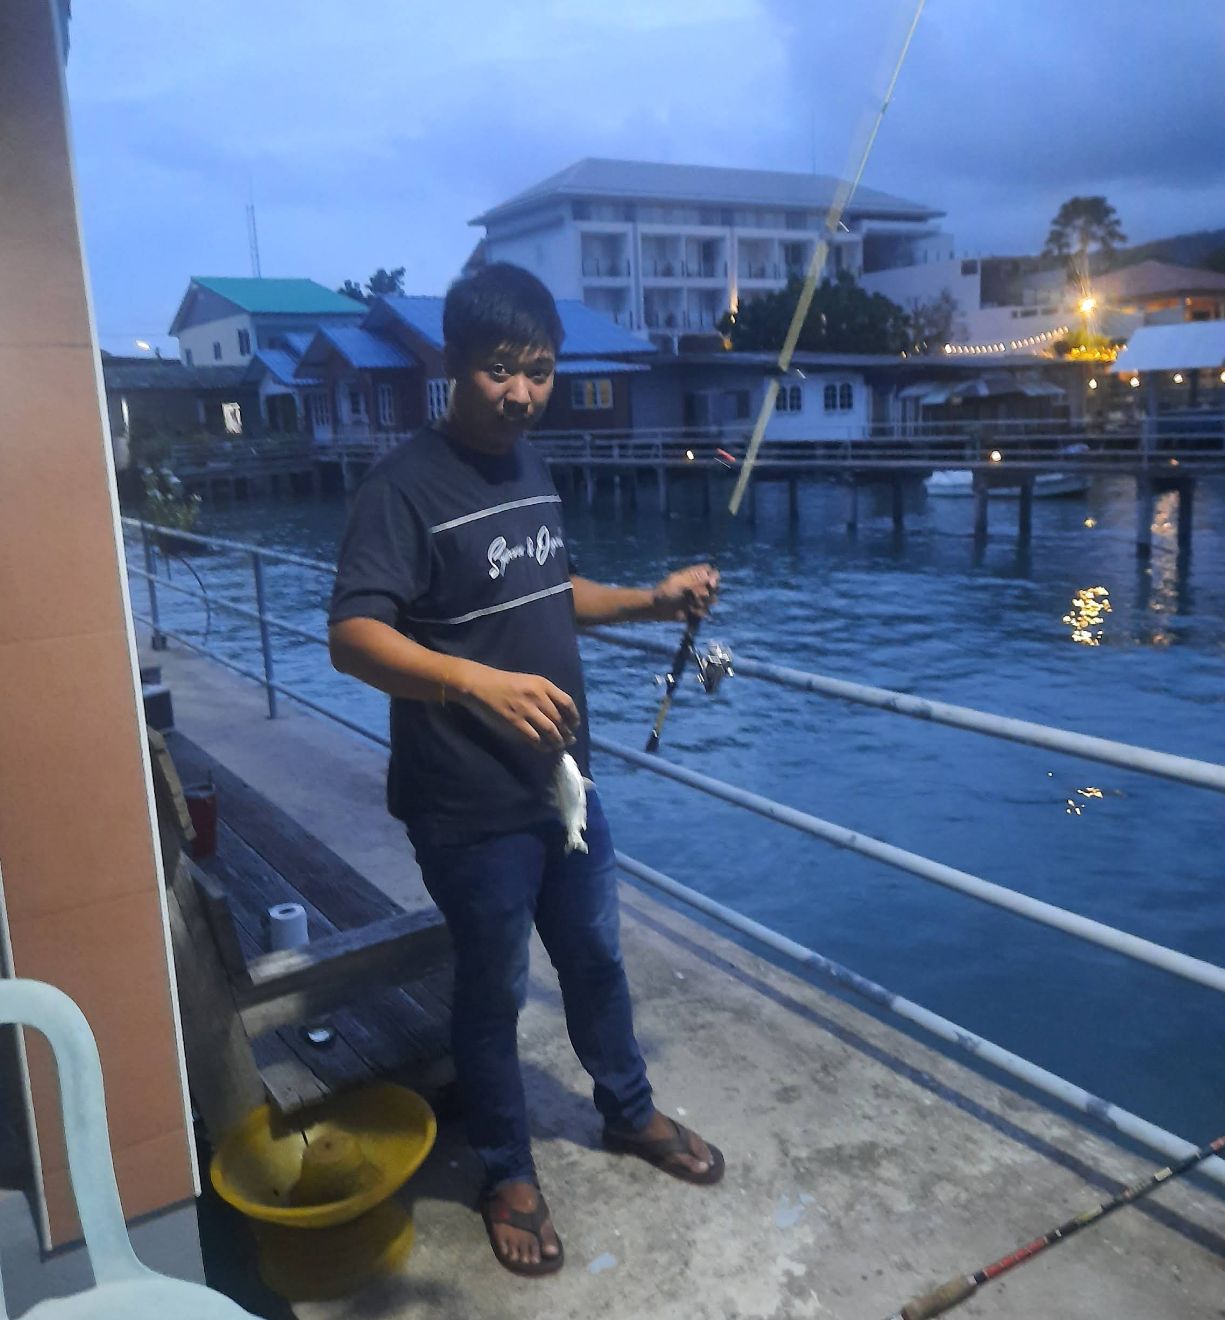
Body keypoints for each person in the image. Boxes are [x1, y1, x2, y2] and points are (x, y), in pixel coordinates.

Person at [328, 263, 724, 1277]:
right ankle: (506, 1169)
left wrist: (652, 599)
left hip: (566, 790)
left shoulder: (530, 465)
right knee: (496, 986)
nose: (520, 391)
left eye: (539, 371)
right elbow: (352, 638)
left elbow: (554, 589)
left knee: (595, 958)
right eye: (500, 370)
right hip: (466, 806)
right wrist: (471, 683)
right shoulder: (400, 488)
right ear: (453, 365)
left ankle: (626, 1112)